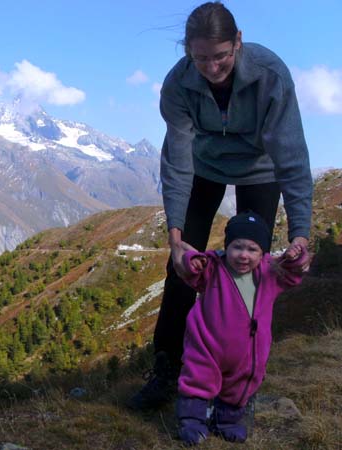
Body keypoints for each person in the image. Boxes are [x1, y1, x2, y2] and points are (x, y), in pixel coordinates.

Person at [127, 1, 312, 410]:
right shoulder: (177, 86)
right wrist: (176, 238)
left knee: (251, 272)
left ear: (238, 42)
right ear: (188, 52)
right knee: (182, 269)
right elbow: (176, 161)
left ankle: (239, 378)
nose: (212, 67)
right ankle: (167, 370)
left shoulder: (271, 75)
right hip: (202, 166)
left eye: (221, 56)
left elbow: (293, 158)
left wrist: (301, 234)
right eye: (201, 58)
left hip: (261, 168)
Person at [175, 211, 308, 445]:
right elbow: (192, 270)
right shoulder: (214, 267)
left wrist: (296, 256)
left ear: (263, 252)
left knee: (240, 387)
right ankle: (191, 421)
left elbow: (293, 272)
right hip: (207, 345)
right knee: (198, 379)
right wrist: (191, 261)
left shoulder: (270, 272)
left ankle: (226, 422)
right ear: (227, 247)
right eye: (237, 247)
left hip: (249, 351)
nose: (243, 255)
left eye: (252, 249)